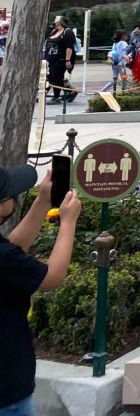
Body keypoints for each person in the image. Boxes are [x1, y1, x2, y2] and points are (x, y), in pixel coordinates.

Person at [0, 163, 82, 416]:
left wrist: (43, 201)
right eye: (8, 195)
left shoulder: (5, 256)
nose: (15, 198)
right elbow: (52, 278)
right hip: (7, 392)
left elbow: (14, 246)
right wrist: (68, 222)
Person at [43, 15, 76, 102]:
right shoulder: (54, 32)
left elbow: (69, 47)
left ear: (61, 22)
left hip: (61, 59)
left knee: (57, 77)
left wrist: (67, 60)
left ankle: (56, 96)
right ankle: (71, 91)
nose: (54, 21)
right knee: (50, 77)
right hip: (51, 59)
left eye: (56, 19)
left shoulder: (67, 32)